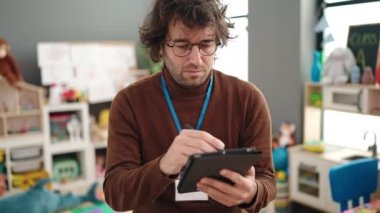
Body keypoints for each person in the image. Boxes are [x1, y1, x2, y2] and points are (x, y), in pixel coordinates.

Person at [103, 0, 276, 212]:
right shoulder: (129, 102)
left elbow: (267, 181)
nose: (196, 59)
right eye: (182, 46)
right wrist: (164, 166)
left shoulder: (248, 99)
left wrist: (251, 193)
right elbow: (115, 194)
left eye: (205, 44)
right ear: (160, 46)